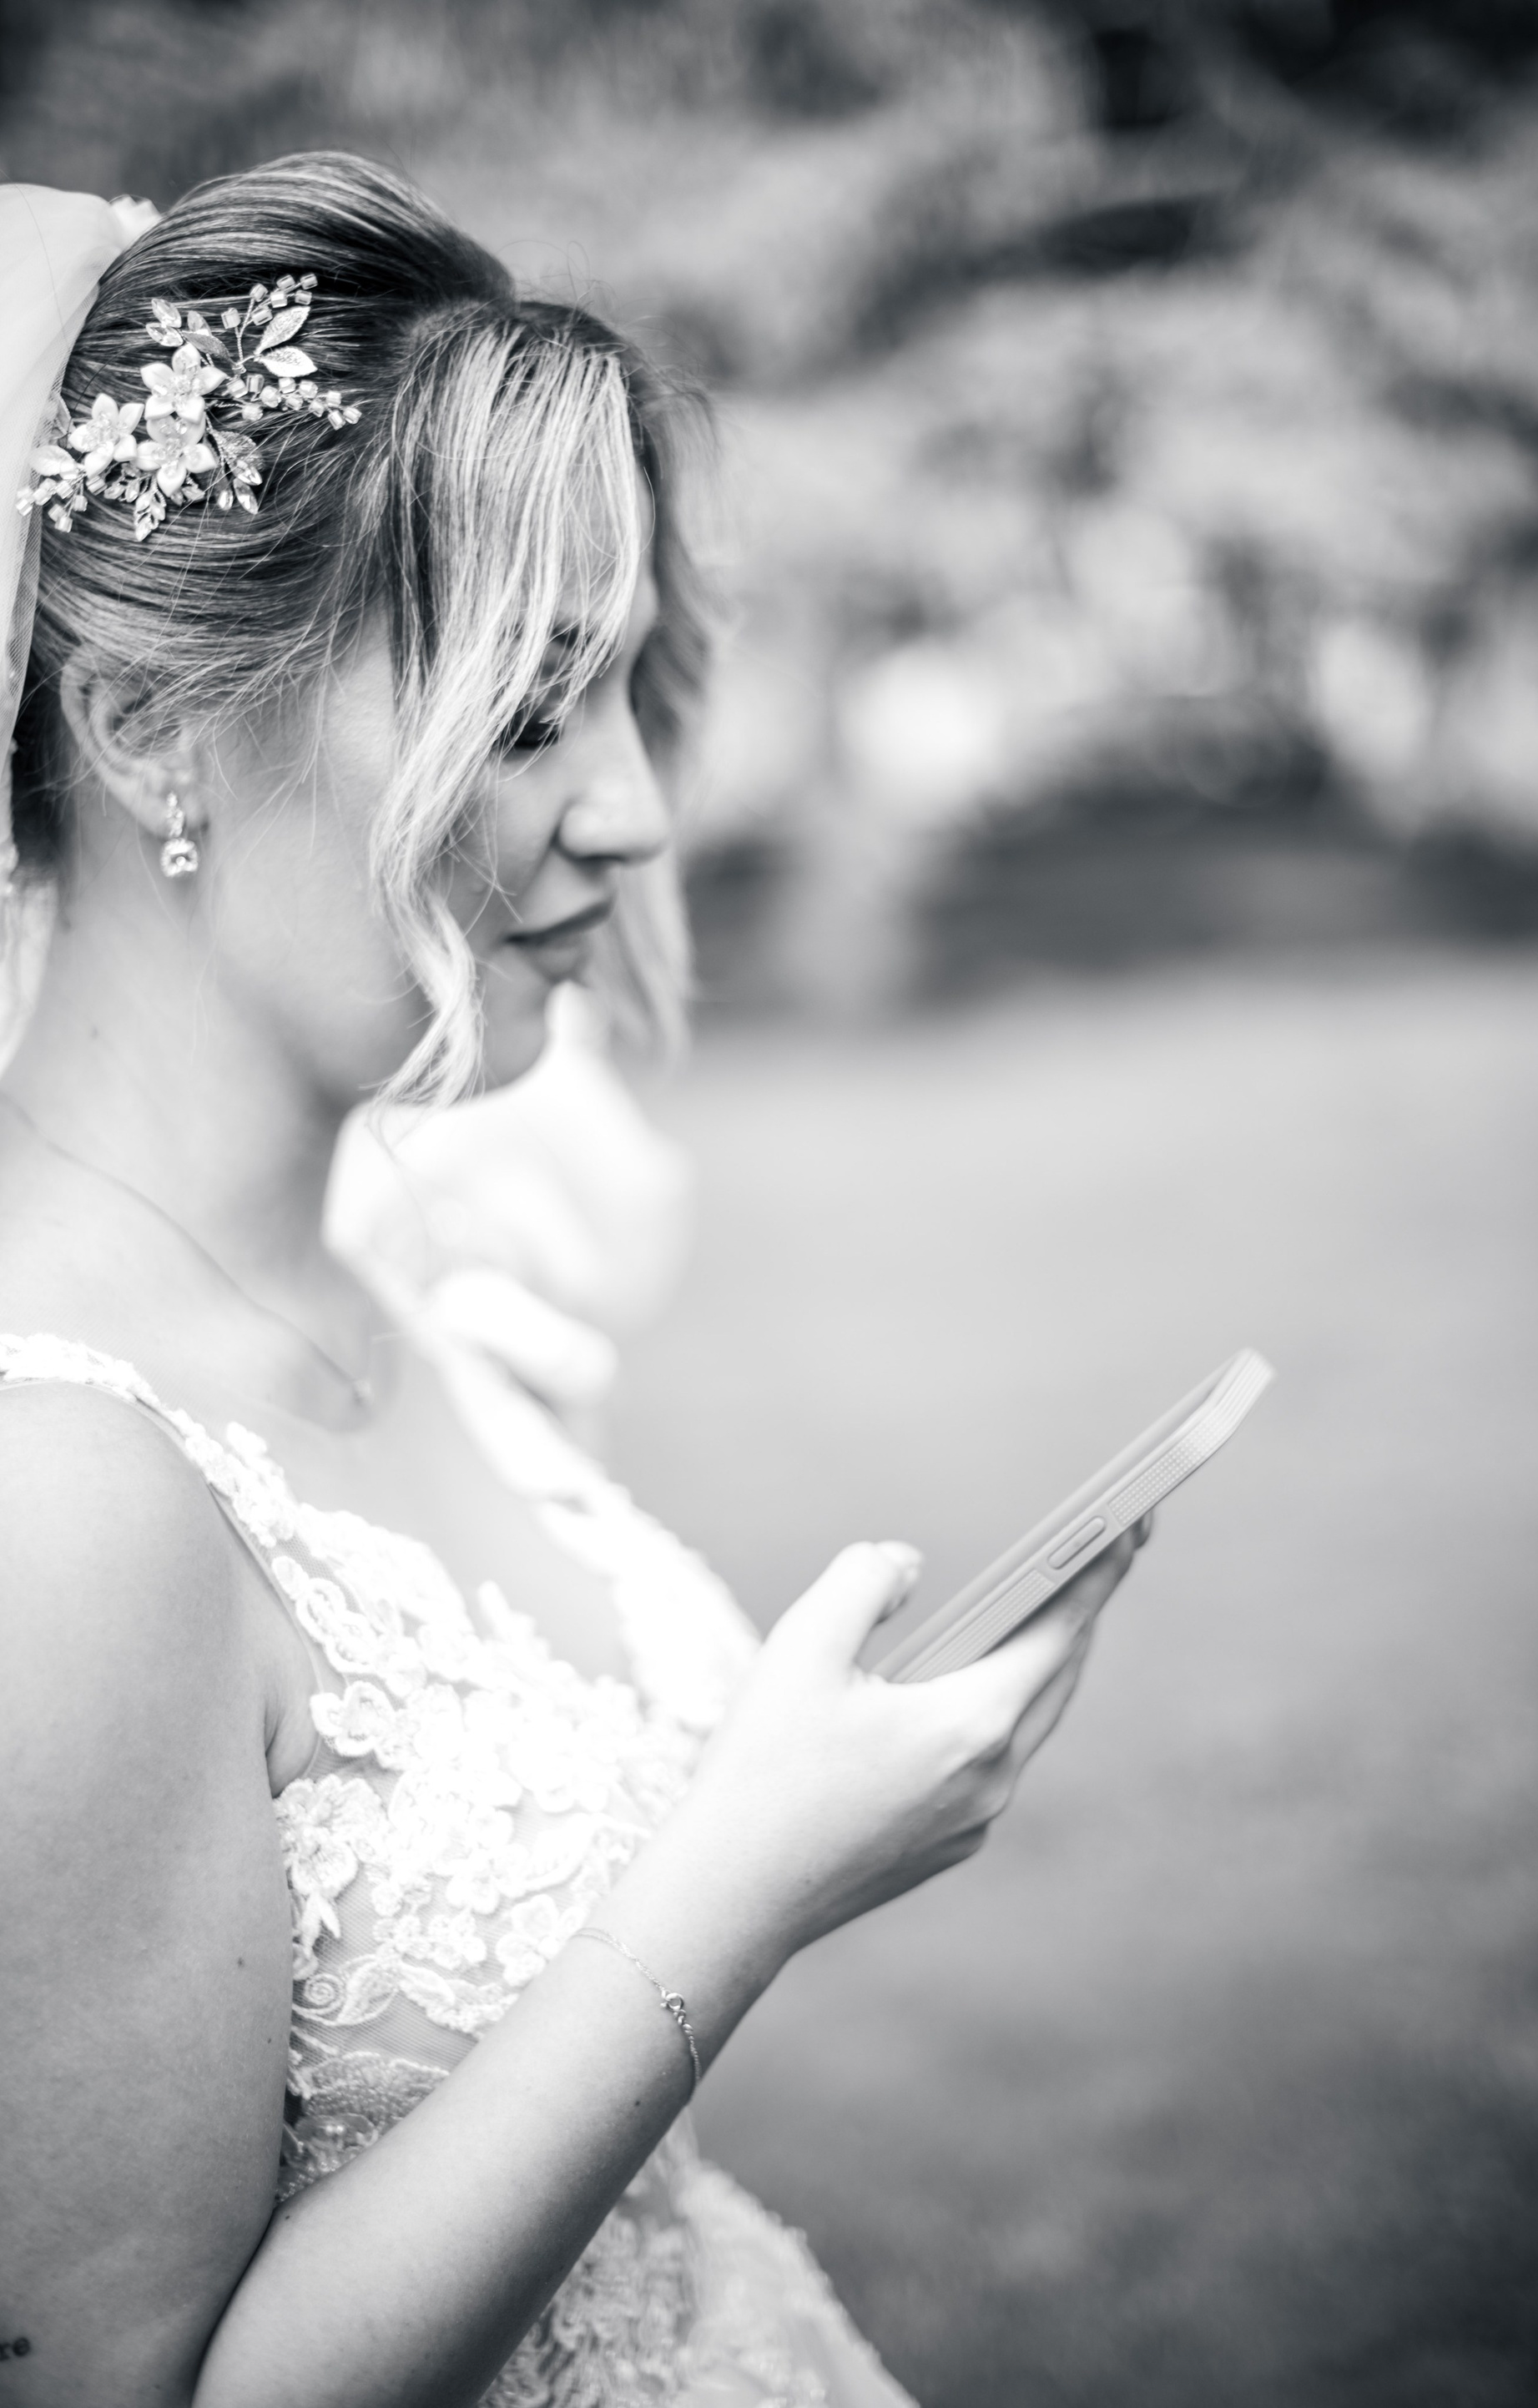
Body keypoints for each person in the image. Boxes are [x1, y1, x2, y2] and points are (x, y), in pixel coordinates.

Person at [0, 157, 1142, 2408]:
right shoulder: (59, 1504)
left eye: (619, 695)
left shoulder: (414, 1275)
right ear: (145, 729)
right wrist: (741, 1886)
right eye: (525, 710)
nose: (631, 813)